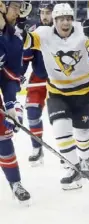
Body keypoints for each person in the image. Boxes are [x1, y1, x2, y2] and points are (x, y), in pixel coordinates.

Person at [23, 3, 89, 190]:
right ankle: (73, 167)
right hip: (57, 92)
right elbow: (24, 41)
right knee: (60, 129)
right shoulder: (43, 33)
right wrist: (16, 24)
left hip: (83, 92)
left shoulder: (81, 30)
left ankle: (85, 161)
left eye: (68, 18)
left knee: (82, 133)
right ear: (54, 20)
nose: (65, 22)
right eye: (61, 19)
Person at [0, 0, 32, 203]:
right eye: (15, 5)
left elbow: (9, 76)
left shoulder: (14, 41)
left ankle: (15, 183)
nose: (18, 10)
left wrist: (12, 105)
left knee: (3, 137)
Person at [22, 1, 54, 166]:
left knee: (64, 118)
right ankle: (37, 148)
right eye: (42, 12)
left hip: (59, 80)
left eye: (48, 12)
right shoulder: (34, 32)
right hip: (39, 78)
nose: (44, 16)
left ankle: (72, 153)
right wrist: (19, 74)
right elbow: (26, 58)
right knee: (32, 112)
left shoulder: (62, 30)